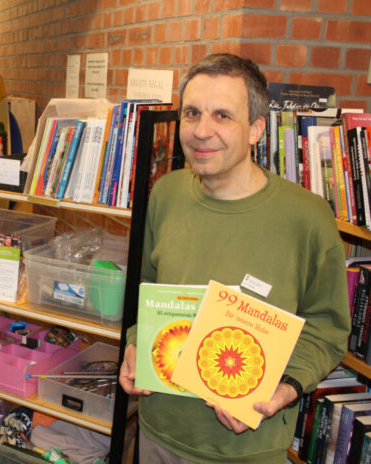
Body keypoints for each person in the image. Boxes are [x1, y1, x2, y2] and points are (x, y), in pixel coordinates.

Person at [118, 54, 350, 463]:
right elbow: (145, 292)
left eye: (222, 115)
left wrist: (284, 389)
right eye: (192, 113)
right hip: (158, 433)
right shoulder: (165, 194)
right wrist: (137, 344)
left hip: (247, 450)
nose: (201, 131)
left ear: (256, 129)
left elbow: (328, 330)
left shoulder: (307, 217)